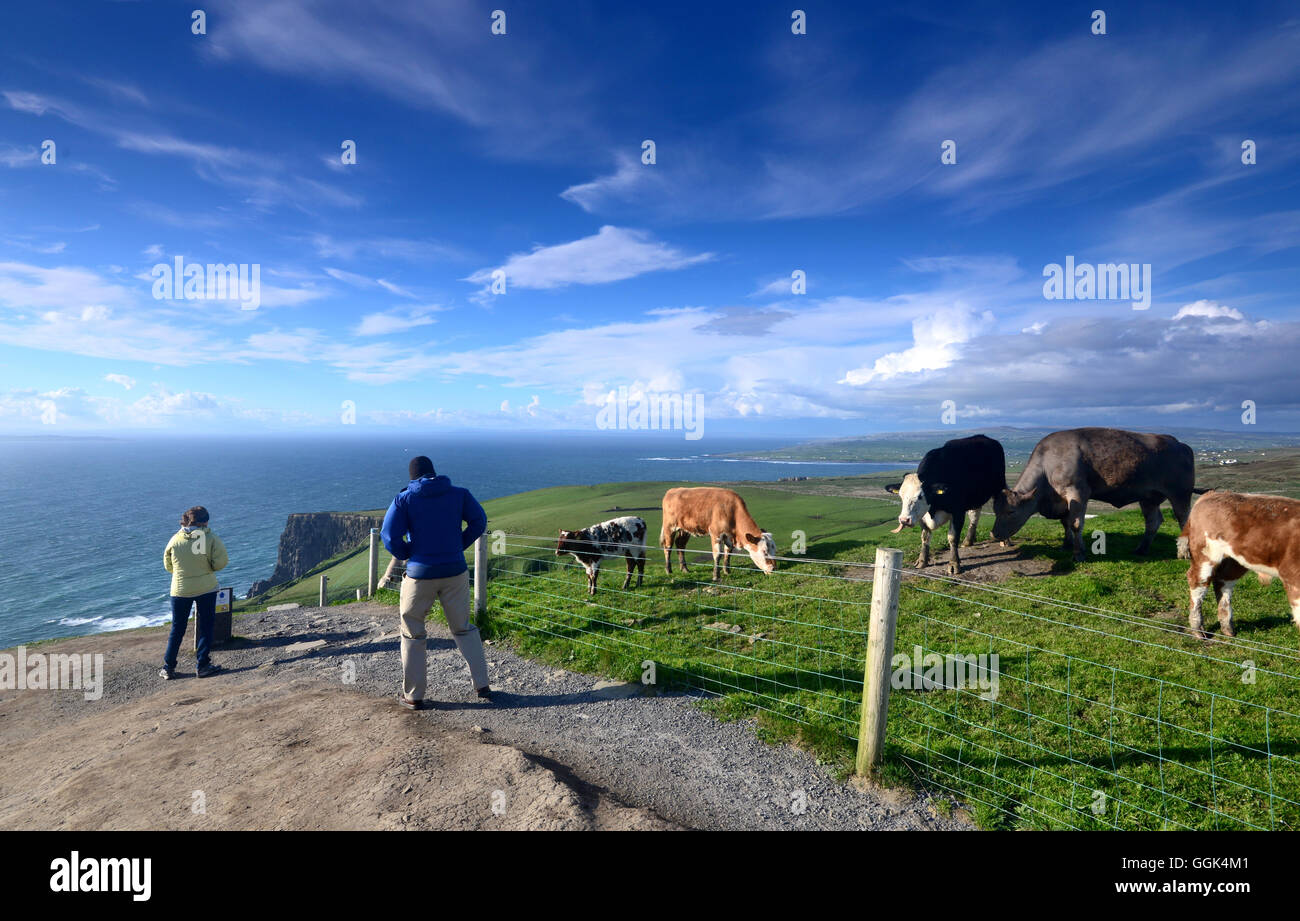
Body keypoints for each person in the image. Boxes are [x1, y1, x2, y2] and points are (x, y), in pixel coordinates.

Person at [382, 456, 490, 709]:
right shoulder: (459, 494)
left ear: (412, 477)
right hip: (455, 571)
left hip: (420, 575)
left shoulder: (405, 499)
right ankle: (482, 684)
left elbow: (389, 535)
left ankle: (414, 696)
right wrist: (458, 545)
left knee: (412, 632)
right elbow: (479, 522)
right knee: (463, 627)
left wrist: (407, 552)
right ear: (434, 472)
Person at [161, 505, 229, 680]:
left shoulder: (175, 540)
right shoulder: (211, 538)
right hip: (206, 587)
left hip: (180, 589)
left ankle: (168, 667)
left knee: (177, 629)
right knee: (206, 626)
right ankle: (203, 666)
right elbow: (220, 562)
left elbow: (168, 565)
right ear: (205, 521)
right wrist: (206, 568)